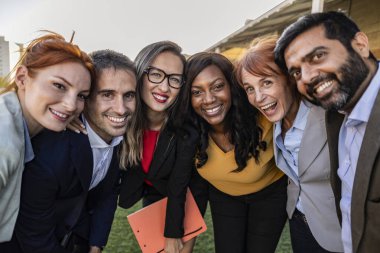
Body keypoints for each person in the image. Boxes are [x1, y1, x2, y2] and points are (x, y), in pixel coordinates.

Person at [10, 49, 136, 253]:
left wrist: (96, 244)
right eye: (107, 94)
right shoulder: (49, 154)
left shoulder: (120, 138)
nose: (121, 109)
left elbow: (109, 192)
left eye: (129, 95)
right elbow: (34, 236)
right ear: (86, 99)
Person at [274, 11, 380, 253]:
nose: (308, 77)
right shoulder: (336, 116)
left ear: (360, 44)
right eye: (297, 72)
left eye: (318, 55)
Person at [235, 36, 343, 253]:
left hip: (339, 230)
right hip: (300, 222)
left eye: (266, 82)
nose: (258, 97)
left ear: (290, 78)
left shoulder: (332, 117)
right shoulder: (273, 122)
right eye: (249, 88)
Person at [179, 52, 287, 253]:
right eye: (197, 92)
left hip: (271, 195)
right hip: (224, 197)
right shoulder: (188, 135)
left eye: (218, 86)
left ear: (232, 86)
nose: (209, 99)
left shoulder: (266, 115)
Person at [0, 32, 94, 247]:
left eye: (81, 96)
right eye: (59, 86)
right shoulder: (4, 140)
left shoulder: (24, 118)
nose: (71, 105)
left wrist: (56, 115)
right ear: (22, 77)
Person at [118, 41, 199, 253]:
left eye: (174, 79)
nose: (164, 87)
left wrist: (173, 233)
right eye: (155, 74)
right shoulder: (120, 117)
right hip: (152, 193)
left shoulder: (185, 129)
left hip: (184, 196)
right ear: (139, 73)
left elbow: (178, 185)